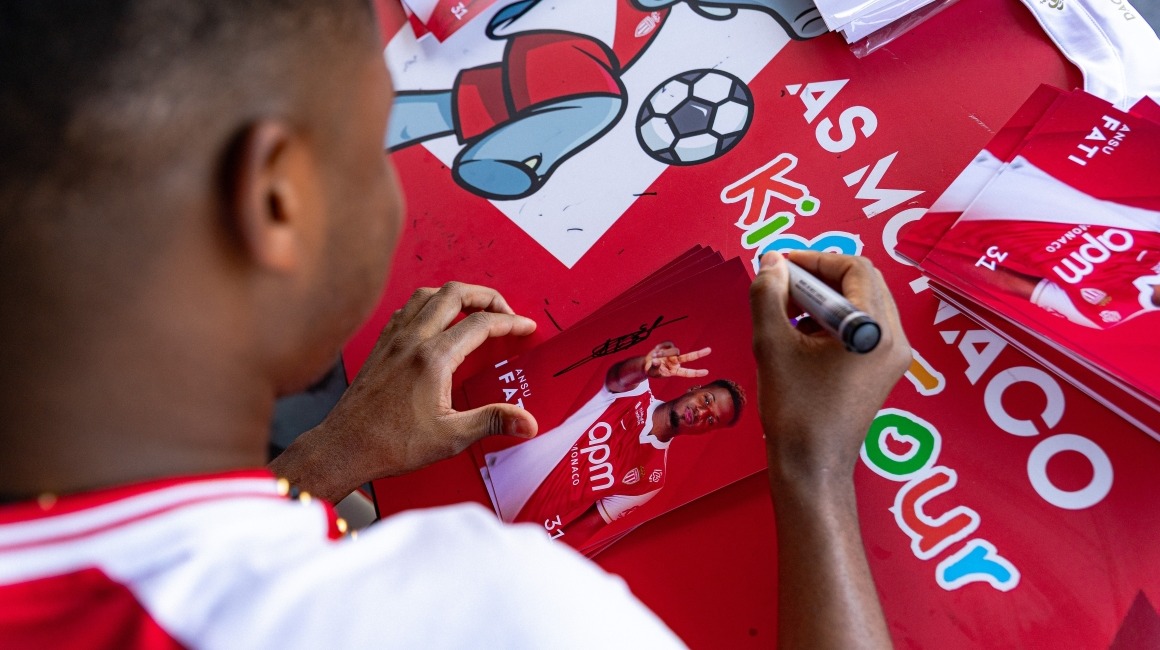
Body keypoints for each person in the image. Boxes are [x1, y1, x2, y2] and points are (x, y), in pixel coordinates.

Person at [0, 1, 910, 648]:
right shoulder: (479, 611)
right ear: (279, 201)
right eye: (376, 143)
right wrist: (814, 466)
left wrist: (322, 465)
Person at [483, 343, 745, 548]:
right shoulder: (636, 390)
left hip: (506, 530)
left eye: (711, 420)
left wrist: (537, 561)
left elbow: (586, 527)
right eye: (707, 400)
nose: (701, 412)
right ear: (694, 389)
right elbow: (621, 375)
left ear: (705, 431)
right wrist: (646, 366)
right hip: (490, 474)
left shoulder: (653, 479)